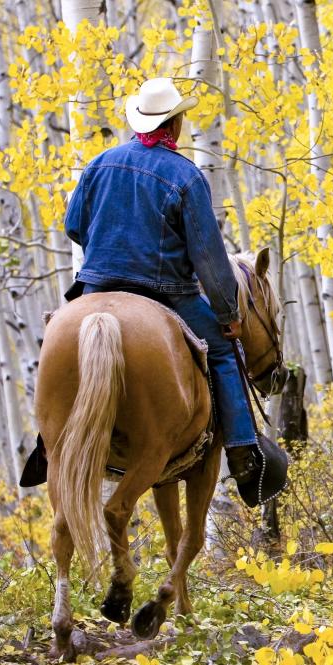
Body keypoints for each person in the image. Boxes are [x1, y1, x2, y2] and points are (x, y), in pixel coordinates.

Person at [62, 77, 263, 505]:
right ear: (174, 125)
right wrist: (229, 315)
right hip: (166, 293)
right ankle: (243, 449)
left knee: (58, 347)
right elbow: (208, 257)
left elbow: (73, 226)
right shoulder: (186, 177)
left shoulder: (100, 163)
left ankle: (48, 447)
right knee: (226, 353)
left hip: (95, 286)